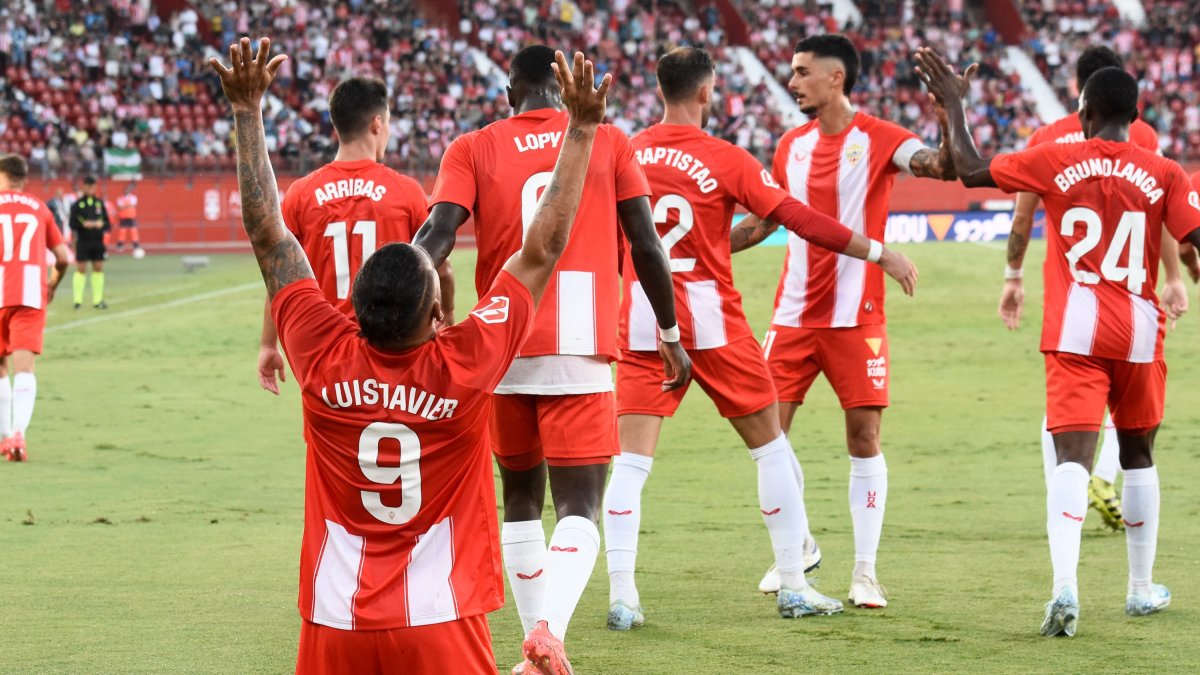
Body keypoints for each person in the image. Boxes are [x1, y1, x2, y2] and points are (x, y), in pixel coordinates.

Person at [209, 38, 608, 674]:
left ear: (352, 309)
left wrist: (246, 112)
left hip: (334, 620)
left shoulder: (319, 349)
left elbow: (267, 235)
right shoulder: (466, 361)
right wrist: (582, 129)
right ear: (435, 314)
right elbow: (542, 250)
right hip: (440, 619)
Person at [602, 46, 920, 629]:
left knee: (629, 464)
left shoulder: (623, 153)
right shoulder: (726, 158)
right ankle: (795, 586)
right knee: (770, 447)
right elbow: (799, 221)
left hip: (647, 321)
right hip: (715, 323)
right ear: (705, 92)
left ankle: (623, 596)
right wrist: (880, 251)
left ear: (658, 89)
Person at [412, 44, 691, 673]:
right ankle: (548, 634)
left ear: (511, 92)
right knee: (579, 506)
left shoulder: (471, 147)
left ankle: (536, 652)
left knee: (518, 500)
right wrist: (669, 331)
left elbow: (437, 233)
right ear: (564, 91)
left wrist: (404, 288)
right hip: (582, 345)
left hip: (502, 343)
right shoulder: (610, 140)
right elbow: (645, 243)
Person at [917, 49, 1200, 637]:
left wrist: (956, 106)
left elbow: (969, 171)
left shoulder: (1053, 158)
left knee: (1072, 458)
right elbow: (1192, 236)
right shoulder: (1165, 170)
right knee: (1138, 455)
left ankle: (1065, 585)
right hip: (1141, 332)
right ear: (1136, 112)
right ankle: (1141, 590)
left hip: (1074, 330)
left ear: (1083, 111)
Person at [741, 34, 959, 609]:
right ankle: (800, 547)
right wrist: (699, 248)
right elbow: (767, 222)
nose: (792, 82)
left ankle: (866, 571)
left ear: (835, 78)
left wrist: (948, 114)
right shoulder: (790, 146)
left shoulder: (882, 138)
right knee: (768, 439)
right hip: (790, 317)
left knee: (863, 439)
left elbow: (943, 166)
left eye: (801, 72)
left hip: (856, 318)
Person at [1002, 46, 1187, 532]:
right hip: (1135, 299)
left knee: (1065, 406)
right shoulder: (1143, 135)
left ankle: (1063, 498)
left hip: (1070, 294)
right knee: (1132, 418)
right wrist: (1172, 277)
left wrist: (1013, 277)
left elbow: (1022, 215)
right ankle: (1104, 478)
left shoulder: (1046, 138)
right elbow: (1163, 212)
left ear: (1080, 94)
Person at [256, 76, 447, 396]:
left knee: (331, 441)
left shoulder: (302, 195)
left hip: (327, 352)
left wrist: (267, 343)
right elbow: (436, 268)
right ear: (376, 123)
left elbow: (280, 276)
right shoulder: (406, 191)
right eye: (388, 123)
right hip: (397, 348)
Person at [0, 155, 71, 461]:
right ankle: (19, 435)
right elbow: (63, 257)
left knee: (0, 367)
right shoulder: (39, 208)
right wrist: (52, 285)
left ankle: (4, 438)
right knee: (24, 368)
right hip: (30, 291)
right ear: (24, 178)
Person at [68, 175, 110, 310]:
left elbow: (108, 223)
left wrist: (100, 224)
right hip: (83, 241)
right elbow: (72, 223)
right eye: (88, 186)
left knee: (98, 267)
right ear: (83, 187)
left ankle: (98, 300)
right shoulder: (77, 205)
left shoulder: (99, 203)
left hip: (97, 241)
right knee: (81, 269)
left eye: (93, 186)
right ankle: (77, 300)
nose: (90, 189)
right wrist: (83, 225)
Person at [114, 181, 141, 252]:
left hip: (131, 217)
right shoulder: (120, 198)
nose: (127, 190)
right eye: (126, 189)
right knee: (122, 232)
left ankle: (136, 245)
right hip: (123, 217)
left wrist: (125, 205)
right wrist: (128, 205)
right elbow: (120, 206)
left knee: (133, 231)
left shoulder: (133, 197)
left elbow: (133, 204)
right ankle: (120, 245)